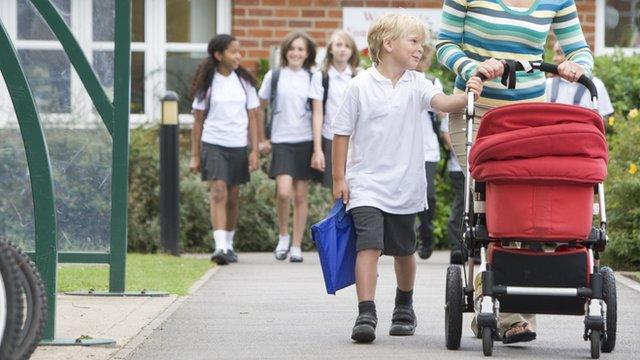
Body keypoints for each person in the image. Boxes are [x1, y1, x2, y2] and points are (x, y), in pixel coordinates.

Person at [437, 0, 594, 344]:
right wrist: (473, 67)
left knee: (524, 210)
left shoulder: (558, 2)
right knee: (495, 211)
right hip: (477, 114)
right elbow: (444, 43)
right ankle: (505, 313)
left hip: (527, 120)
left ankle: (507, 308)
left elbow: (579, 48)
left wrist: (576, 66)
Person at [332, 13, 483, 343]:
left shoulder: (419, 84)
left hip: (405, 185)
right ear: (389, 45)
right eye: (414, 42)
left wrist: (468, 91)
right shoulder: (358, 86)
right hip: (366, 184)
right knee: (368, 245)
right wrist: (338, 178)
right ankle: (366, 311)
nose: (421, 49)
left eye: (422, 43)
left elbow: (443, 103)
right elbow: (341, 133)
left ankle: (404, 305)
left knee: (404, 250)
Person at [189, 34, 260, 265]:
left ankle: (229, 244)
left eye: (239, 51)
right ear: (219, 55)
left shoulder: (244, 83)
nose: (238, 56)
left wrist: (255, 150)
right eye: (233, 52)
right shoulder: (207, 84)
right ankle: (219, 247)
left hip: (238, 145)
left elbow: (253, 117)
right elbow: (198, 121)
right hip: (213, 143)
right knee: (218, 191)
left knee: (233, 196)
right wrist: (195, 155)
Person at [258, 31, 317, 263]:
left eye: (301, 49)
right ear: (285, 52)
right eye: (292, 49)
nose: (296, 53)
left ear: (307, 53)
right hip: (281, 140)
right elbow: (259, 107)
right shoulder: (273, 76)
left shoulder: (313, 78)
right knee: (283, 193)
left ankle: (296, 245)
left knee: (301, 195)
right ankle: (283, 236)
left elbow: (319, 112)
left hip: (305, 141)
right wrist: (262, 138)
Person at [309, 30, 360, 189]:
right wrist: (318, 150)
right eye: (338, 45)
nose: (342, 49)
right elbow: (317, 114)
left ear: (352, 51)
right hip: (331, 139)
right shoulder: (321, 77)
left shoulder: (359, 77)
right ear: (330, 49)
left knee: (355, 188)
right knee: (337, 189)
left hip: (356, 141)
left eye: (347, 46)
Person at [413, 42, 444, 260]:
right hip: (403, 149)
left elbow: (442, 112)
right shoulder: (399, 80)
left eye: (424, 57)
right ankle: (408, 236)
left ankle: (426, 232)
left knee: (428, 195)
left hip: (428, 148)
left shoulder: (432, 82)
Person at [547, 41, 614, 117]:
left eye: (559, 53)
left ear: (576, 55)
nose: (554, 58)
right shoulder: (549, 84)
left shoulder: (596, 85)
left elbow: (602, 122)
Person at [439, 116, 467, 265]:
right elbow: (445, 131)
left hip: (479, 165)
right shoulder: (455, 100)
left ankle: (472, 247)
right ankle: (457, 245)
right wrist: (459, 152)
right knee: (462, 202)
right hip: (458, 166)